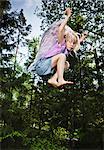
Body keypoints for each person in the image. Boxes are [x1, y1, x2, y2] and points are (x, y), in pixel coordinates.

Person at [28, 8, 88, 87]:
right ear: (65, 40)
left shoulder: (67, 50)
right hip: (41, 65)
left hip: (47, 68)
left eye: (73, 44)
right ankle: (60, 79)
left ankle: (53, 79)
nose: (72, 45)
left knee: (66, 64)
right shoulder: (60, 43)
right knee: (62, 56)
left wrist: (82, 38)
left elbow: (76, 43)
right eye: (70, 42)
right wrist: (68, 16)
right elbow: (60, 30)